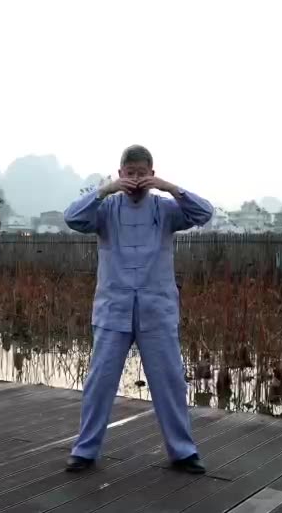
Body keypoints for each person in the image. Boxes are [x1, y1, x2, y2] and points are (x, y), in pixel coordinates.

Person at [63, 144, 214, 474]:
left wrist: (170, 188)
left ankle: (183, 452)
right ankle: (85, 450)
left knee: (170, 382)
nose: (135, 180)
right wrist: (104, 190)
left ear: (152, 174)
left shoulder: (166, 209)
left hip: (157, 309)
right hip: (112, 309)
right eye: (129, 173)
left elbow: (204, 214)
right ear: (120, 174)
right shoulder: (105, 209)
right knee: (100, 382)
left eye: (142, 173)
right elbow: (72, 218)